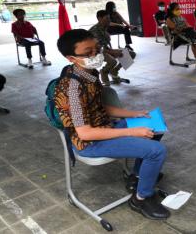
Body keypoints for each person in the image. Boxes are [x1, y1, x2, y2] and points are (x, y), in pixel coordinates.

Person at [54, 29, 169, 220]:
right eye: (88, 52)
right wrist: (132, 131)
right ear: (71, 58)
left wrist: (135, 114)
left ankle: (138, 178)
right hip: (90, 143)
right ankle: (141, 198)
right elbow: (85, 134)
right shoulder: (72, 89)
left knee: (154, 124)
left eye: (96, 49)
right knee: (156, 151)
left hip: (105, 127)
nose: (95, 55)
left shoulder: (88, 72)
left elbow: (101, 107)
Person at [89, 10, 136, 86]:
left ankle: (114, 71)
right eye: (106, 18)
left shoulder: (104, 26)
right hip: (95, 52)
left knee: (131, 54)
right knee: (112, 61)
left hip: (105, 49)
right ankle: (104, 72)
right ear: (99, 18)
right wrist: (114, 52)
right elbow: (100, 48)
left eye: (109, 18)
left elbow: (105, 45)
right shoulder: (95, 30)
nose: (109, 20)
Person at [166, 2, 196, 67]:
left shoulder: (180, 16)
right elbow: (176, 30)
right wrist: (184, 27)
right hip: (178, 36)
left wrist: (188, 27)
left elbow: (187, 24)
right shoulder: (169, 19)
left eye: (179, 8)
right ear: (172, 10)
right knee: (195, 40)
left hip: (187, 32)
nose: (179, 10)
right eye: (177, 9)